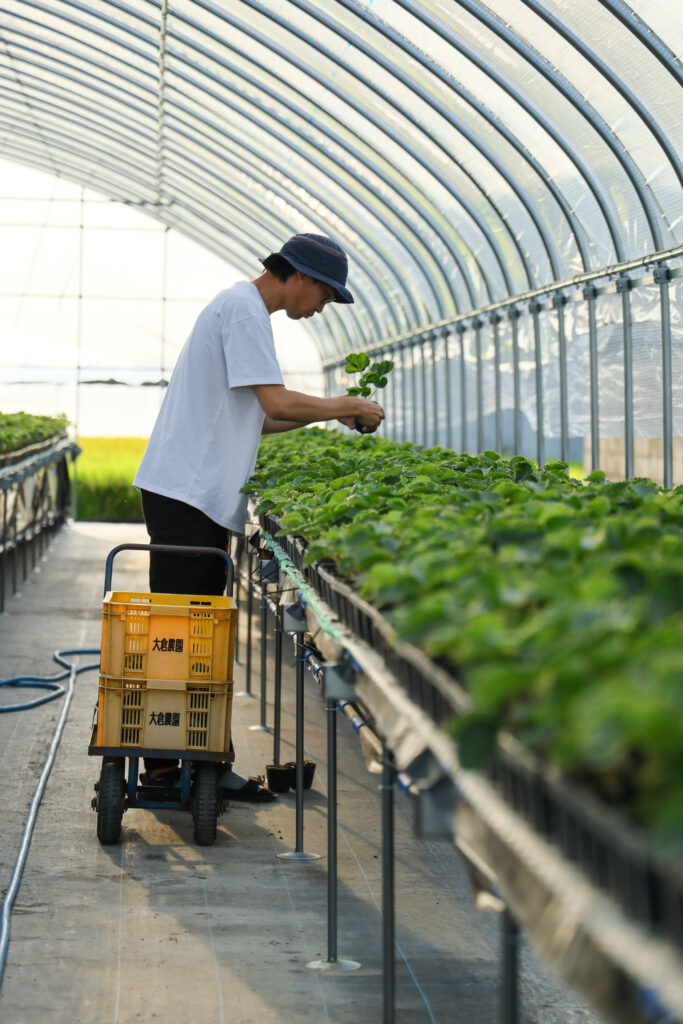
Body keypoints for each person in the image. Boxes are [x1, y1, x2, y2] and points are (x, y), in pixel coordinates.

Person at [132, 233, 384, 796]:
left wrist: (326, 416)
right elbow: (275, 404)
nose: (319, 308)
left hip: (193, 494)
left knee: (197, 631)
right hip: (187, 494)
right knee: (179, 633)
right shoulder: (246, 311)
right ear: (299, 276)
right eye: (324, 295)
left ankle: (197, 764)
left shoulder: (242, 309)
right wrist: (346, 404)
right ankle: (168, 770)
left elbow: (260, 419)